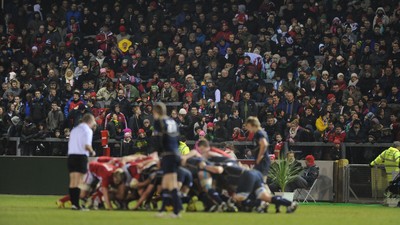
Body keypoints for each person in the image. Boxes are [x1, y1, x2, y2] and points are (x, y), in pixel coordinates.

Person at [151, 102, 183, 218]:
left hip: (168, 154)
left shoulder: (159, 122)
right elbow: (178, 138)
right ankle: (164, 210)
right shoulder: (172, 121)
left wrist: (158, 155)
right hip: (175, 153)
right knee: (166, 182)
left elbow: (158, 139)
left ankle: (177, 209)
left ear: (156, 111)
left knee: (170, 183)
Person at [67, 113, 97, 210]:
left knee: (72, 182)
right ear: (90, 121)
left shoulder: (74, 129)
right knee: (80, 181)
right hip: (80, 156)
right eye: (93, 121)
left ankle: (74, 204)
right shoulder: (88, 130)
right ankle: (77, 205)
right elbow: (87, 145)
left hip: (71, 156)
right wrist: (92, 152)